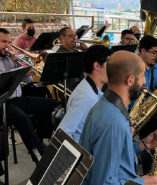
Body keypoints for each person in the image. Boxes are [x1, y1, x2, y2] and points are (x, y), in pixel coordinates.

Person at [79, 51, 157, 185]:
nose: (145, 83)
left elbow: (111, 156)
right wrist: (142, 183)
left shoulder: (106, 104)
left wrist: (142, 145)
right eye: (142, 77)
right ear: (130, 80)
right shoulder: (113, 122)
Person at [0, 28, 57, 158]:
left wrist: (24, 66)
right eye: (4, 42)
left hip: (17, 99)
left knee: (50, 104)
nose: (8, 46)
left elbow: (28, 79)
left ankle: (41, 138)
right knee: (22, 118)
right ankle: (38, 152)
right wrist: (20, 74)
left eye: (9, 42)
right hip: (3, 103)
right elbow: (3, 85)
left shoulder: (10, 58)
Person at [57, 45, 111, 142]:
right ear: (97, 66)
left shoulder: (93, 90)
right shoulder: (86, 96)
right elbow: (63, 133)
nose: (112, 68)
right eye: (109, 63)